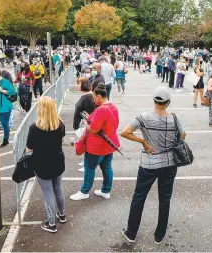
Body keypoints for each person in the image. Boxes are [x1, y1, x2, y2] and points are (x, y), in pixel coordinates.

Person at [120, 86, 186, 245]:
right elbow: (182, 136)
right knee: (165, 199)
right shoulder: (175, 118)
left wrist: (143, 141)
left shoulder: (144, 117)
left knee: (139, 197)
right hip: (169, 164)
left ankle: (131, 233)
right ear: (168, 102)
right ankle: (159, 235)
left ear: (154, 101)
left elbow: (125, 132)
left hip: (149, 164)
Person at [70, 84, 120, 201]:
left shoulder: (100, 109)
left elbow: (94, 129)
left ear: (98, 97)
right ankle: (106, 190)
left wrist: (86, 125)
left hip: (97, 146)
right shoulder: (113, 107)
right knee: (107, 167)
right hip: (110, 143)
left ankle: (84, 191)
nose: (93, 100)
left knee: (89, 168)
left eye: (94, 97)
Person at [25, 96, 66, 233]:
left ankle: (51, 223)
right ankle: (62, 215)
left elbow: (29, 149)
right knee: (58, 189)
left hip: (42, 164)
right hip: (58, 161)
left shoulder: (34, 128)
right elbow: (62, 139)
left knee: (47, 192)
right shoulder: (60, 123)